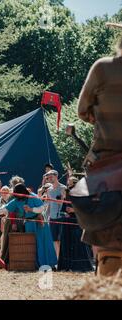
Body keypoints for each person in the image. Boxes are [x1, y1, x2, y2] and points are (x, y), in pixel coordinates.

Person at [73, 22, 122, 276]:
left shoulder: (103, 68)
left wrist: (99, 117)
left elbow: (82, 110)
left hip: (107, 171)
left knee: (110, 249)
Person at [0, 184, 57, 268]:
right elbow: (5, 208)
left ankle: (49, 264)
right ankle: (34, 265)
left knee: (43, 243)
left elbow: (41, 208)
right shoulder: (16, 200)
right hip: (29, 224)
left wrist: (31, 209)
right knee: (31, 245)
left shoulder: (33, 196)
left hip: (39, 223)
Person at [44, 170, 66, 259]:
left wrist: (60, 200)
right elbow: (48, 203)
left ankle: (62, 259)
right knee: (54, 240)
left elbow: (64, 203)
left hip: (61, 217)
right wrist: (46, 216)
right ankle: (57, 259)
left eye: (50, 176)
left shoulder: (63, 188)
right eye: (47, 177)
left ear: (56, 176)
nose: (48, 178)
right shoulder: (49, 190)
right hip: (52, 218)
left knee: (61, 240)